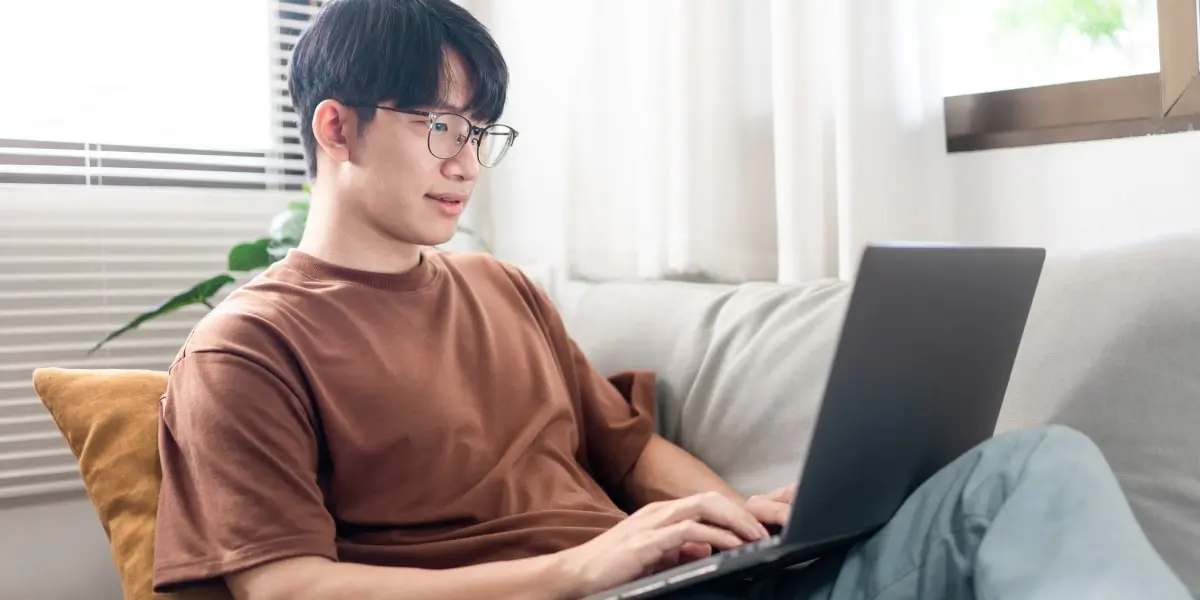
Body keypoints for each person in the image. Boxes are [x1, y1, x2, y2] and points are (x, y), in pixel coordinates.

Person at [150, 1, 1191, 599]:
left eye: (483, 132)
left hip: (687, 587)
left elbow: (633, 456)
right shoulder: (247, 349)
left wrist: (732, 518)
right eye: (438, 124)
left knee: (1028, 467)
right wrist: (580, 568)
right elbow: (286, 588)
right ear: (336, 128)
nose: (468, 161)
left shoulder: (501, 289)